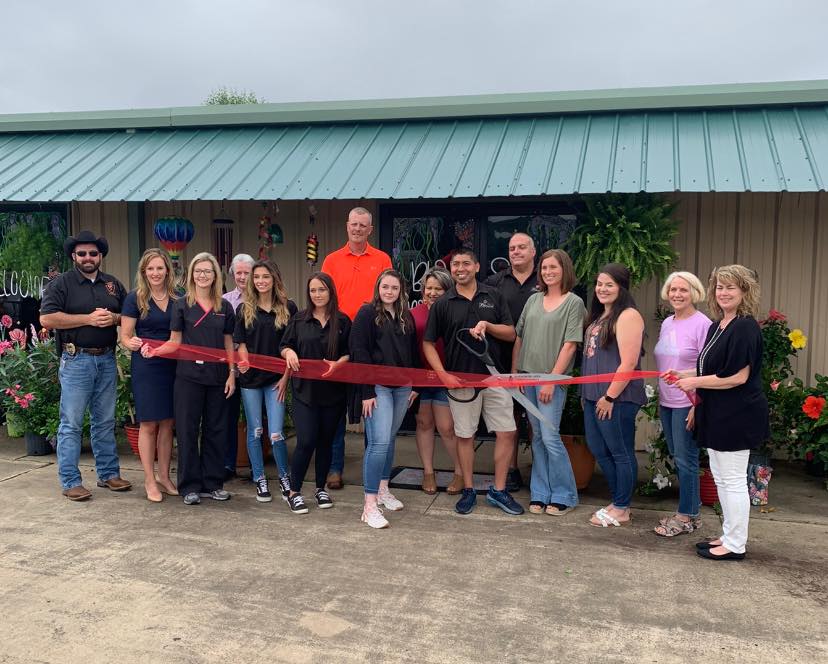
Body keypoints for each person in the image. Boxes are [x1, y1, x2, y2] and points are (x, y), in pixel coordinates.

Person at [665, 265, 768, 561]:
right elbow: (708, 370)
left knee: (733, 479)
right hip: (717, 412)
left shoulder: (745, 326)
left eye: (730, 288)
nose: (723, 293)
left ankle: (736, 544)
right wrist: (682, 373)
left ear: (744, 291)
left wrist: (693, 382)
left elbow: (738, 376)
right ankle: (729, 534)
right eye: (719, 287)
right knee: (722, 478)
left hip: (738, 414)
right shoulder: (718, 325)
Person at [423, 248, 524, 516]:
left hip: (495, 378)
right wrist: (443, 374)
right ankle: (469, 489)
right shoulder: (443, 303)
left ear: (477, 267)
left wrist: (487, 326)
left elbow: (512, 332)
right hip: (460, 382)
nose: (460, 268)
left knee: (506, 432)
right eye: (455, 264)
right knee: (465, 435)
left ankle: (499, 491)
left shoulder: (494, 295)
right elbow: (428, 343)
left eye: (466, 263)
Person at [40, 230, 131, 501]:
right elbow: (47, 319)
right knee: (72, 423)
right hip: (76, 359)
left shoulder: (112, 284)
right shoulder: (62, 284)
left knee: (105, 421)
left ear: (100, 255)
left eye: (93, 253)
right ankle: (70, 481)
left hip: (106, 358)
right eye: (82, 254)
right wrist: (87, 320)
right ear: (73, 256)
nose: (88, 258)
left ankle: (108, 474)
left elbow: (129, 316)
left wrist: (114, 318)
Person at [148, 252, 236, 505]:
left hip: (218, 377)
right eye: (198, 271)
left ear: (215, 275)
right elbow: (174, 342)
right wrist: (154, 350)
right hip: (188, 378)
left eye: (208, 271)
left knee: (215, 430)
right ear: (191, 275)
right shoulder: (182, 305)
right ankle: (190, 486)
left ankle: (213, 483)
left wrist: (232, 374)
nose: (203, 275)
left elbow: (229, 343)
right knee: (187, 431)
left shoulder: (225, 307)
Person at [321, 206, 391, 490]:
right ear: (347, 226)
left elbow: (388, 294)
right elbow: (324, 297)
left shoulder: (383, 258)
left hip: (373, 339)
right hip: (339, 335)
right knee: (336, 406)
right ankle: (334, 467)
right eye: (354, 225)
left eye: (363, 225)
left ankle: (370, 469)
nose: (358, 229)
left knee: (371, 403)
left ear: (370, 229)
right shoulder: (332, 260)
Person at [512, 249, 586, 515]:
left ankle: (564, 494)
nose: (548, 272)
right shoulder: (533, 300)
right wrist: (514, 375)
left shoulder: (573, 302)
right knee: (537, 439)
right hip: (527, 378)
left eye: (553, 267)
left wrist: (551, 381)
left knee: (550, 436)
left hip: (550, 381)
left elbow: (570, 346)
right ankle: (540, 493)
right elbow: (519, 338)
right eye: (544, 268)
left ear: (564, 269)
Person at [351, 269, 420, 528]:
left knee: (389, 439)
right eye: (385, 287)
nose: (389, 291)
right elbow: (360, 352)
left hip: (402, 387)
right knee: (378, 442)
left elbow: (412, 351)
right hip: (377, 386)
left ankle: (382, 490)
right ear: (378, 288)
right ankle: (369, 505)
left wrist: (415, 384)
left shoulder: (405, 315)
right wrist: (366, 391)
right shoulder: (367, 313)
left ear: (401, 290)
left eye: (394, 287)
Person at [581, 263, 647, 528]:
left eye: (609, 284)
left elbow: (628, 363)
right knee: (599, 449)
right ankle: (618, 500)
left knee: (620, 452)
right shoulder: (598, 317)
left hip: (615, 398)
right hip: (592, 396)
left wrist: (609, 397)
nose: (602, 289)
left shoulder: (628, 315)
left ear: (622, 287)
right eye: (599, 284)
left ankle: (622, 508)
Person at [280, 272, 351, 514]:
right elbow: (284, 345)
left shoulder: (342, 321)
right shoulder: (299, 320)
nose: (317, 294)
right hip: (304, 392)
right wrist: (289, 353)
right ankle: (294, 492)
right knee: (306, 440)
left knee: (325, 442)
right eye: (313, 290)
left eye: (322, 290)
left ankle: (320, 488)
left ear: (330, 292)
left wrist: (339, 364)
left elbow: (349, 352)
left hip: (333, 393)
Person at [652, 271, 711, 537]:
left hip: (687, 401)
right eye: (673, 289)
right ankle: (692, 511)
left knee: (686, 459)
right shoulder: (668, 323)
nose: (677, 294)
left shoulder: (702, 324)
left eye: (683, 290)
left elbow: (707, 368)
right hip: (667, 400)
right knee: (679, 456)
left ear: (694, 293)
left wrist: (696, 406)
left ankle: (686, 516)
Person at [234, 260, 297, 503]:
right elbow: (241, 344)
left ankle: (284, 477)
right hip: (250, 380)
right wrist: (244, 362)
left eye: (266, 277)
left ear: (274, 280)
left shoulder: (287, 307)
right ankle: (259, 477)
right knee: (255, 430)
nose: (261, 281)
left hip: (276, 381)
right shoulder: (244, 308)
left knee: (276, 433)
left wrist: (285, 379)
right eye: (257, 276)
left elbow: (290, 347)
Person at [119, 248, 178, 503]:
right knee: (148, 423)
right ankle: (149, 479)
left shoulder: (179, 298)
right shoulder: (135, 298)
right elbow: (125, 335)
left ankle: (165, 476)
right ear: (144, 271)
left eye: (160, 268)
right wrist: (129, 343)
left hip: (172, 364)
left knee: (167, 422)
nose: (155, 273)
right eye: (150, 269)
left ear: (167, 270)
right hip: (146, 365)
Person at [485, 232, 538, 490]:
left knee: (536, 415)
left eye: (521, 248)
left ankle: (540, 468)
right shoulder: (494, 282)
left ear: (533, 252)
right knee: (510, 417)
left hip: (539, 358)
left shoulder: (546, 279)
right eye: (512, 248)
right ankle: (513, 469)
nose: (516, 252)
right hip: (503, 358)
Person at [410, 268, 461, 495]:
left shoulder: (452, 311)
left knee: (447, 427)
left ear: (447, 290)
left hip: (445, 378)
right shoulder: (413, 313)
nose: (432, 292)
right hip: (420, 379)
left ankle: (460, 472)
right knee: (423, 424)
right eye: (428, 288)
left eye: (438, 288)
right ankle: (428, 473)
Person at [222, 254, 254, 480]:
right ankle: (227, 464)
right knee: (227, 416)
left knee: (255, 419)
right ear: (233, 275)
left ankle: (257, 465)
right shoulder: (224, 300)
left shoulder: (262, 298)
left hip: (255, 368)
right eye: (239, 273)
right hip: (230, 367)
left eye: (247, 272)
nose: (242, 277)